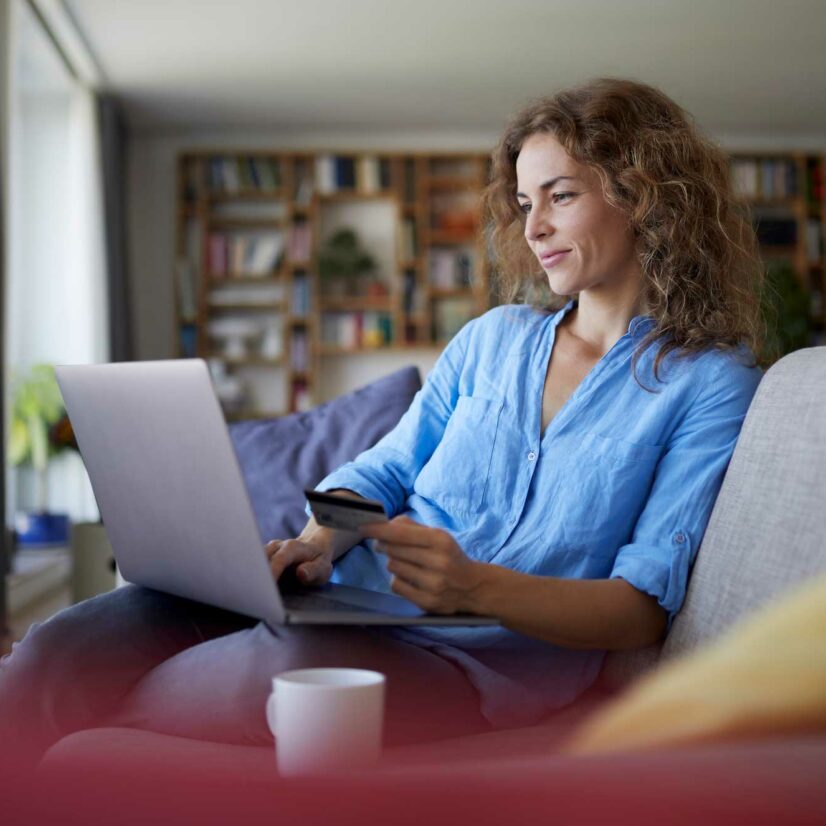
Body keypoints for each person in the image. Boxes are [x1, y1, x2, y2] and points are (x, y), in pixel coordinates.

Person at [0, 78, 765, 775]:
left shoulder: (709, 382)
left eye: (560, 196)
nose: (534, 227)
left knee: (284, 669)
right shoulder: (491, 340)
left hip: (476, 670)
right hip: (346, 600)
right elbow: (386, 469)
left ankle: (73, 740)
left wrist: (477, 588)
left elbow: (639, 609)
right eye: (525, 202)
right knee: (61, 648)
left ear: (642, 194)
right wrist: (317, 542)